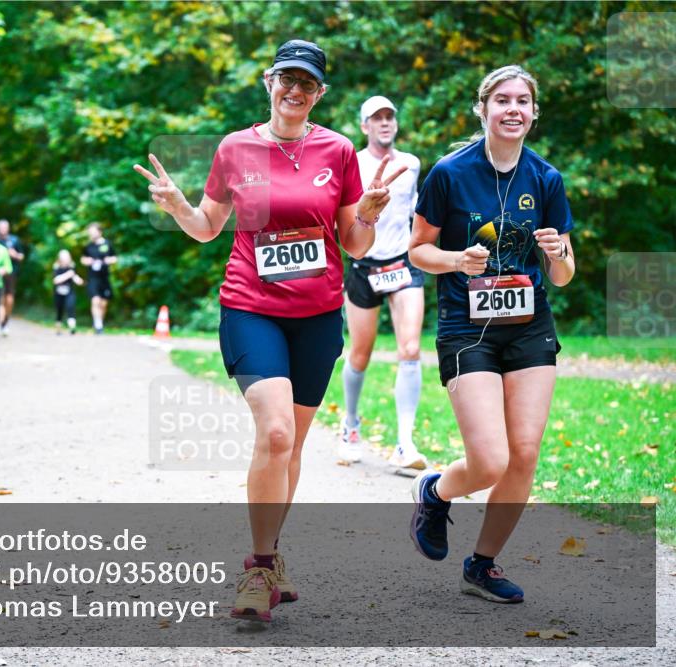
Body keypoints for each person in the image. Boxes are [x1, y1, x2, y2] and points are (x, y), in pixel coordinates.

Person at [135, 39, 405, 622]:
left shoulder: (337, 151)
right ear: (268, 82)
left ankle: (273, 553)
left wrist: (368, 214)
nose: (295, 91)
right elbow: (208, 228)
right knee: (277, 434)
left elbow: (352, 243)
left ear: (319, 94)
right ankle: (257, 570)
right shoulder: (235, 148)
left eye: (307, 84)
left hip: (316, 316)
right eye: (287, 79)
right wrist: (180, 206)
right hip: (251, 307)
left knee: (295, 446)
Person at [407, 65, 575, 604]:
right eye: (502, 100)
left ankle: (482, 565)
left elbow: (564, 272)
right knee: (490, 462)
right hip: (468, 328)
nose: (513, 109)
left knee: (524, 454)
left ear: (534, 112)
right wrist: (457, 259)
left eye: (523, 101)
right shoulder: (450, 173)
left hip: (530, 328)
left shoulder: (546, 179)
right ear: (483, 108)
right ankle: (435, 492)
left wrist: (557, 255)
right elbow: (418, 250)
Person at [338, 96, 428, 476]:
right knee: (360, 352)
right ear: (364, 126)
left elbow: (414, 211)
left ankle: (405, 443)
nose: (385, 123)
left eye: (390, 116)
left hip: (402, 263)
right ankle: (350, 424)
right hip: (364, 265)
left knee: (410, 348)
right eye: (377, 118)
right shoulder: (352, 163)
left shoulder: (411, 164)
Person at [80, 223, 117, 334]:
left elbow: (115, 258)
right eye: (89, 231)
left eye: (93, 231)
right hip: (93, 277)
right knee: (95, 300)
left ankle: (98, 321)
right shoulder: (88, 246)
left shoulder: (107, 244)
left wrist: (108, 260)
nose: (91, 233)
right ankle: (98, 325)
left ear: (99, 231)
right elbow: (83, 259)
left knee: (103, 303)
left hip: (104, 277)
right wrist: (87, 261)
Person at [0, 219, 26, 337]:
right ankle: (1, 323)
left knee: (9, 299)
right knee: (0, 299)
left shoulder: (14, 240)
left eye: (5, 227)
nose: (3, 229)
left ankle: (5, 321)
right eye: (1, 227)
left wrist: (15, 255)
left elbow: (22, 256)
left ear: (8, 228)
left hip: (12, 274)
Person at [52, 249, 84, 335]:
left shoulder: (72, 267)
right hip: (58, 292)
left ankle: (72, 328)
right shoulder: (56, 267)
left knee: (71, 307)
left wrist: (79, 280)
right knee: (60, 310)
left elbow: (75, 277)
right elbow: (56, 280)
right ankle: (58, 329)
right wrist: (68, 275)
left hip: (69, 291)